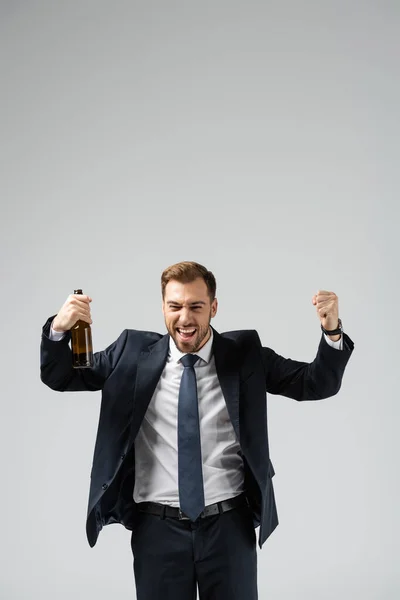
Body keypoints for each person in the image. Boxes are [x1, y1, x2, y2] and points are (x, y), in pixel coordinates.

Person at [40, 261, 354, 600]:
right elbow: (61, 376)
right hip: (157, 530)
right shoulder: (130, 354)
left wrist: (332, 332)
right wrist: (58, 329)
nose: (185, 318)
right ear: (163, 307)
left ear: (213, 308)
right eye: (175, 306)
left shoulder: (244, 355)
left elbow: (314, 383)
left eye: (196, 306)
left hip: (228, 526)